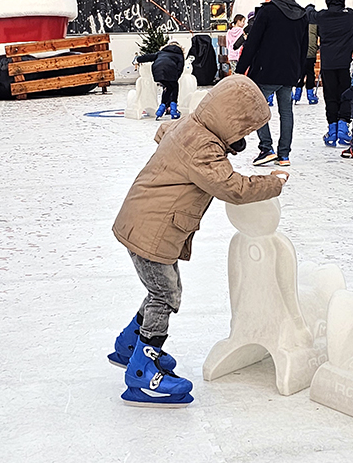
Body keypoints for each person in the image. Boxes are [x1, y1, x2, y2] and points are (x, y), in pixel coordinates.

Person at [111, 76, 288, 407]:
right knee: (165, 293)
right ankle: (141, 370)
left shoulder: (191, 125)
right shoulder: (203, 147)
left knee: (160, 290)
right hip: (152, 229)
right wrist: (272, 183)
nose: (245, 138)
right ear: (230, 120)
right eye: (245, 130)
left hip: (143, 221)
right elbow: (231, 187)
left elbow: (163, 131)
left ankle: (128, 345)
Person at [236, 0, 310, 166]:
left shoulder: (268, 12)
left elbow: (252, 43)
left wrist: (240, 70)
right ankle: (284, 155)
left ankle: (266, 148)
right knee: (286, 112)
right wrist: (299, 72)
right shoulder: (301, 14)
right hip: (290, 71)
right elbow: (304, 47)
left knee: (256, 106)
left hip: (266, 70)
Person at [312, 0, 353, 148]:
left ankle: (332, 130)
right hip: (346, 64)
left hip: (328, 63)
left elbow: (309, 15)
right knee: (346, 94)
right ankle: (344, 128)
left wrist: (310, 6)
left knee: (330, 96)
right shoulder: (350, 15)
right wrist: (350, 11)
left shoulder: (322, 16)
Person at [136, 41, 185, 120]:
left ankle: (161, 109)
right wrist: (176, 77)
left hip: (157, 70)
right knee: (174, 86)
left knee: (168, 88)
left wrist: (139, 59)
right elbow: (180, 67)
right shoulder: (179, 54)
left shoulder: (161, 52)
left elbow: (149, 57)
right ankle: (173, 109)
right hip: (170, 69)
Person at [294, 20, 320, 105]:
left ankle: (297, 94)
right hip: (311, 53)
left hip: (301, 53)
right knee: (310, 73)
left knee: (300, 73)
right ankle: (310, 95)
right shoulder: (315, 23)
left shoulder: (300, 22)